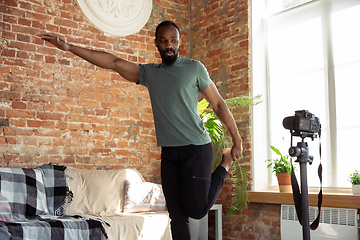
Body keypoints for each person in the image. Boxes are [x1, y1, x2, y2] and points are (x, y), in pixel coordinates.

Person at [39, 20, 243, 240]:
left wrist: (236, 138)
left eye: (173, 41)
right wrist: (69, 47)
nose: (169, 45)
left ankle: (225, 163)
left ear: (180, 42)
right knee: (177, 216)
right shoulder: (149, 73)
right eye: (164, 41)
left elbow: (219, 104)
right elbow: (113, 62)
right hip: (170, 153)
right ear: (156, 43)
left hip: (196, 148)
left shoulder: (194, 68)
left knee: (197, 210)